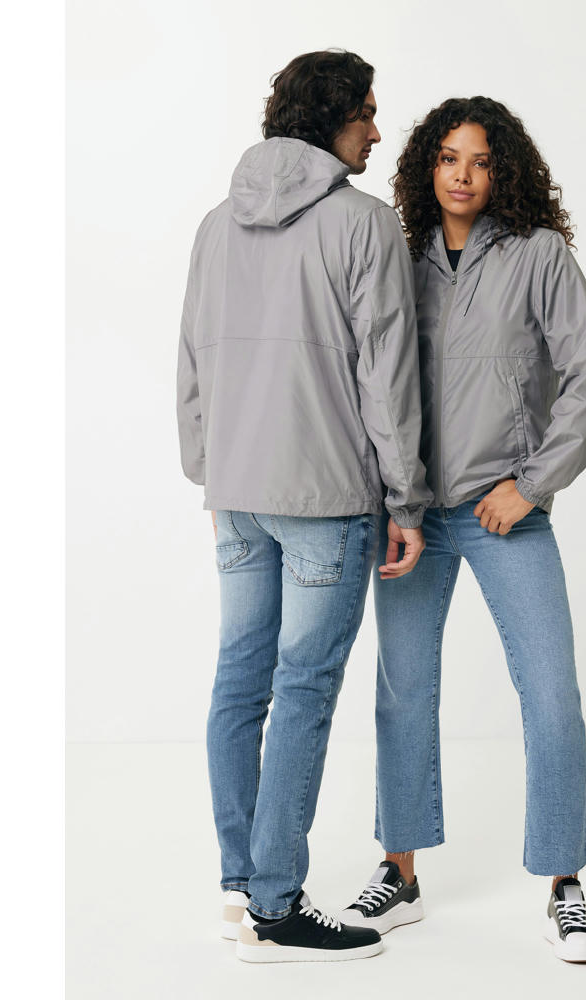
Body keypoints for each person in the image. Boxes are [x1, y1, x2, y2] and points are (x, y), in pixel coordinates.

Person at [339, 97, 586, 964]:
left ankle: (565, 883)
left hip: (504, 515)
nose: (463, 176)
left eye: (482, 161)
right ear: (428, 165)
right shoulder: (398, 256)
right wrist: (390, 499)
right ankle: (400, 872)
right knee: (402, 691)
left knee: (552, 693)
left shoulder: (539, 256)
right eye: (449, 158)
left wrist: (531, 487)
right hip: (412, 517)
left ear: (506, 173)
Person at [176, 49, 432, 964]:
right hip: (326, 495)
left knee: (239, 681)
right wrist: (406, 498)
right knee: (304, 691)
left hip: (238, 494)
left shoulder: (216, 224)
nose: (377, 131)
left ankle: (240, 886)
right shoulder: (364, 223)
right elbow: (387, 379)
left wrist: (209, 472)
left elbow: (192, 359)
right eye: (367, 113)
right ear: (333, 118)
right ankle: (278, 908)